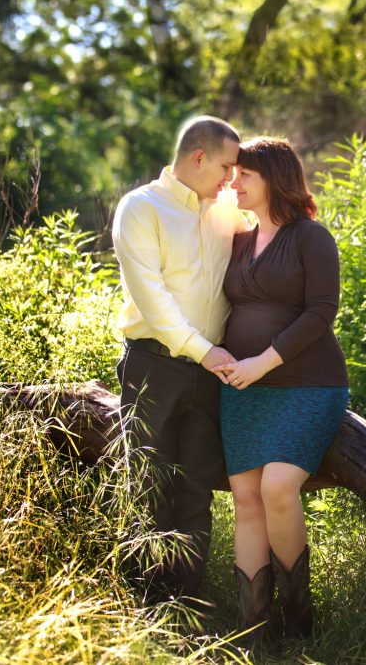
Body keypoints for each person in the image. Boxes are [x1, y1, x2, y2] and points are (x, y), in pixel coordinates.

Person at [213, 137, 349, 642]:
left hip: (307, 384)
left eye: (244, 175)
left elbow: (322, 311)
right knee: (246, 498)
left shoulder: (312, 237)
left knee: (276, 487)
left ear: (273, 177)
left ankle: (298, 624)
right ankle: (252, 630)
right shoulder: (239, 240)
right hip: (242, 388)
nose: (234, 183)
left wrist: (262, 363)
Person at [112, 115, 248, 603]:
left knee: (196, 489)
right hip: (154, 365)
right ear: (199, 157)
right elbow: (152, 298)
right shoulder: (141, 208)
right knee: (147, 483)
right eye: (227, 167)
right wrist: (206, 352)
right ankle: (143, 603)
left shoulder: (229, 210)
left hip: (212, 374)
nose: (232, 178)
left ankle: (186, 602)